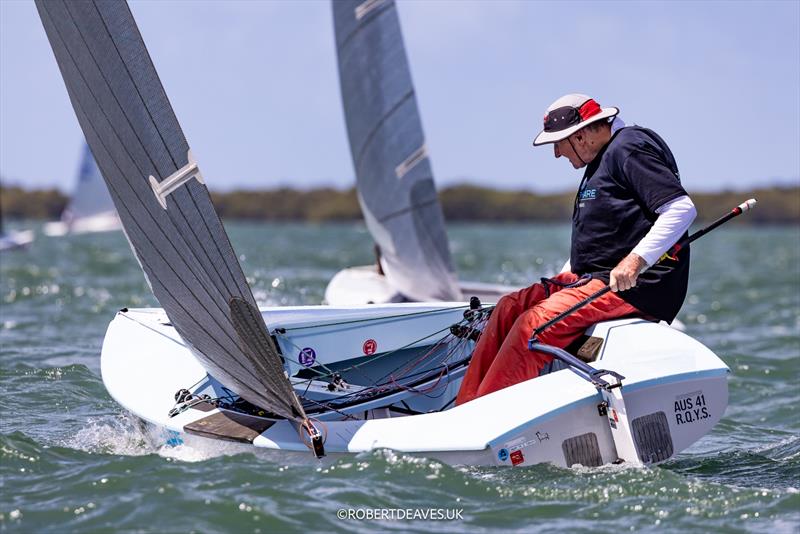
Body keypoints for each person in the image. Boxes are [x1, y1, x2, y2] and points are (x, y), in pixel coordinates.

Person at [456, 93, 696, 405]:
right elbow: (602, 235)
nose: (556, 154)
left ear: (581, 135)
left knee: (533, 325)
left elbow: (681, 208)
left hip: (632, 287)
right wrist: (563, 279)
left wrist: (635, 262)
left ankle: (488, 414)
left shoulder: (628, 148)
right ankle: (468, 404)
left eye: (559, 143)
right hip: (590, 279)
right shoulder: (600, 157)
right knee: (508, 309)